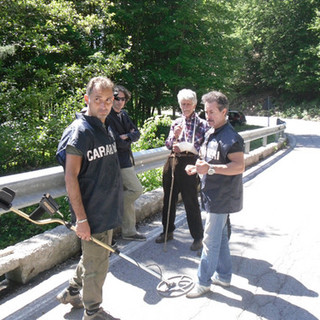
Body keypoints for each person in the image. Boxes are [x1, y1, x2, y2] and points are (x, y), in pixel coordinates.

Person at [56, 76, 122, 320]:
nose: (104, 105)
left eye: (108, 100)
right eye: (98, 100)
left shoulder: (105, 126)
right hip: (92, 212)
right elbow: (70, 177)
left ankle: (72, 291)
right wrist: (81, 219)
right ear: (87, 99)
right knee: (97, 266)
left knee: (93, 257)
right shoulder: (80, 132)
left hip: (106, 208)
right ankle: (93, 312)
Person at [185, 90, 245, 298]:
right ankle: (225, 276)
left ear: (224, 112)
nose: (207, 116)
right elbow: (208, 160)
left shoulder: (231, 138)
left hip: (223, 196)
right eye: (206, 111)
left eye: (212, 112)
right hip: (211, 194)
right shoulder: (211, 132)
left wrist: (209, 168)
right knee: (219, 237)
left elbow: (239, 166)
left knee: (209, 240)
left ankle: (203, 282)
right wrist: (197, 168)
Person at [155, 89, 209, 251]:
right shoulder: (176, 123)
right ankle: (167, 231)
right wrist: (174, 137)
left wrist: (189, 148)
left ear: (194, 105)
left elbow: (203, 148)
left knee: (190, 201)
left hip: (190, 163)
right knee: (168, 200)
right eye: (182, 104)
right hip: (173, 161)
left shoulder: (202, 124)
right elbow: (168, 145)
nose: (185, 107)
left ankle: (198, 236)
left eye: (188, 104)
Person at [107, 85, 145, 241]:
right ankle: (113, 207)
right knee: (136, 190)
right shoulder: (107, 116)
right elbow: (116, 142)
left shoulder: (123, 115)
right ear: (111, 98)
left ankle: (129, 231)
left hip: (127, 159)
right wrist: (127, 138)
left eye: (122, 99)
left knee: (128, 194)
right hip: (117, 162)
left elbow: (137, 133)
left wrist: (127, 137)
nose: (119, 102)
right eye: (116, 98)